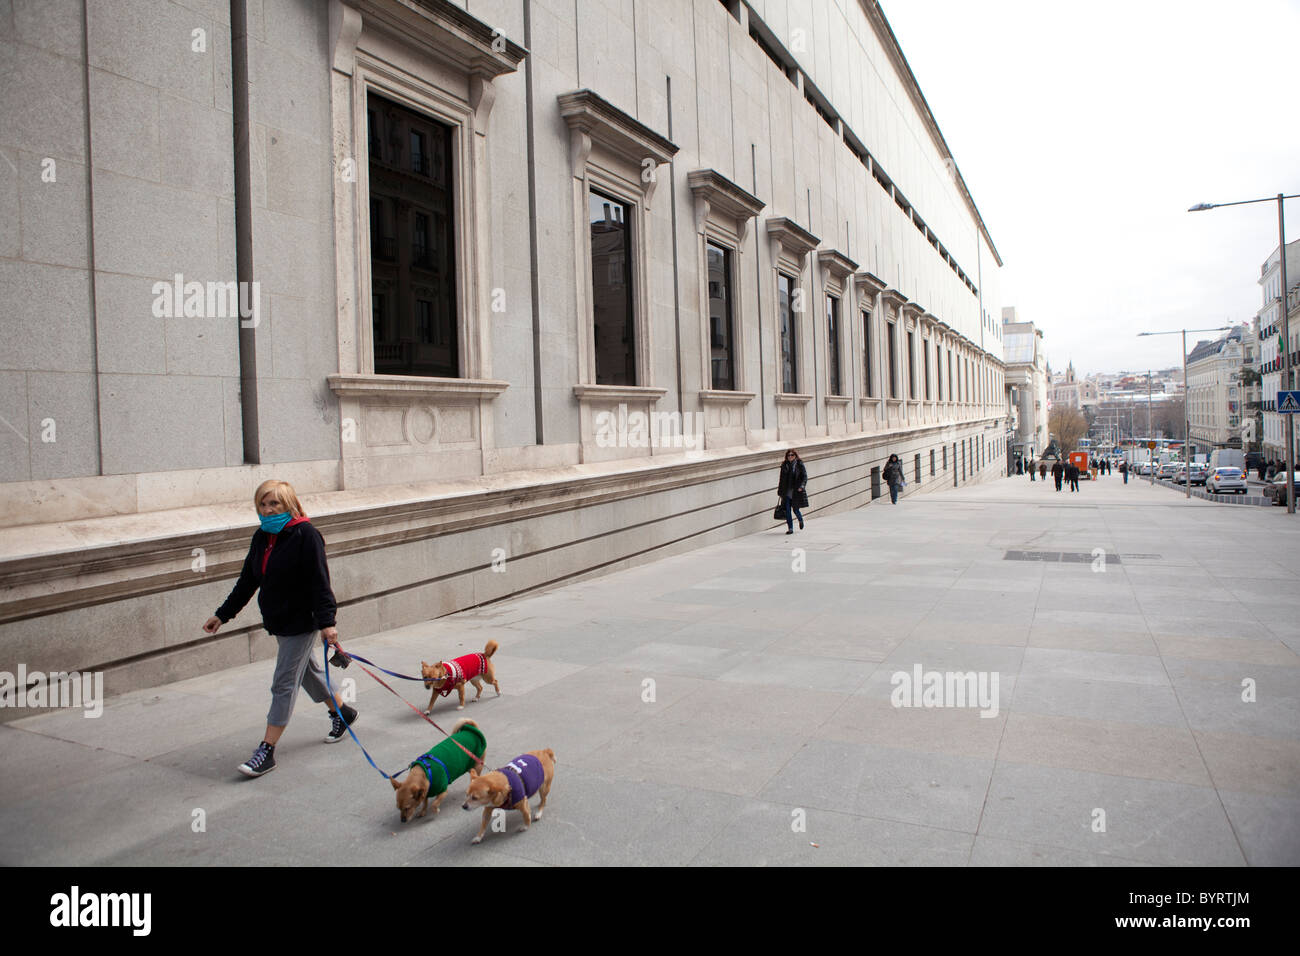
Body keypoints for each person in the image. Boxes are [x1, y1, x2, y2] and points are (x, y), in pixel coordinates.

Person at [203, 479, 355, 778]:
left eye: (274, 503)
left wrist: (328, 624)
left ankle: (267, 750)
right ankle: (343, 713)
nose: (268, 509)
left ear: (289, 504)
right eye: (263, 503)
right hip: (278, 621)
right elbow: (248, 580)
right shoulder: (262, 536)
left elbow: (320, 582)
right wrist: (222, 615)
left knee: (283, 682)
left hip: (302, 621)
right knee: (309, 674)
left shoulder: (306, 534)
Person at [778, 449, 808, 533]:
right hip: (786, 491)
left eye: (792, 455)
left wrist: (802, 486)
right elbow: (781, 479)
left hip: (796, 491)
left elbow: (805, 477)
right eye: (788, 455)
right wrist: (780, 491)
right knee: (787, 510)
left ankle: (800, 520)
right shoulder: (784, 465)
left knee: (795, 509)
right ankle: (790, 528)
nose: (790, 457)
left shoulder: (799, 464)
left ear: (795, 456)